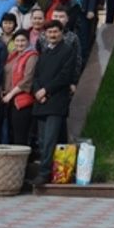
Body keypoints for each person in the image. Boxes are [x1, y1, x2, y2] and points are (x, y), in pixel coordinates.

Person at [30, 20, 79, 186]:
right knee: (43, 140)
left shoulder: (67, 51)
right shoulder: (44, 52)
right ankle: (52, 171)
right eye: (49, 32)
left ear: (61, 33)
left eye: (56, 32)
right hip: (41, 101)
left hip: (56, 101)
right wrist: (37, 91)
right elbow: (36, 75)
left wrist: (46, 91)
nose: (52, 35)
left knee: (50, 139)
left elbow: (64, 76)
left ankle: (44, 173)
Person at [1, 30, 39, 147]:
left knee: (20, 135)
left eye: (23, 40)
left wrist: (11, 94)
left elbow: (27, 79)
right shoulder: (13, 55)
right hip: (9, 100)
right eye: (17, 40)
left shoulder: (32, 56)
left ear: (28, 41)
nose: (20, 43)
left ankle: (22, 163)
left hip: (22, 100)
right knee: (11, 134)